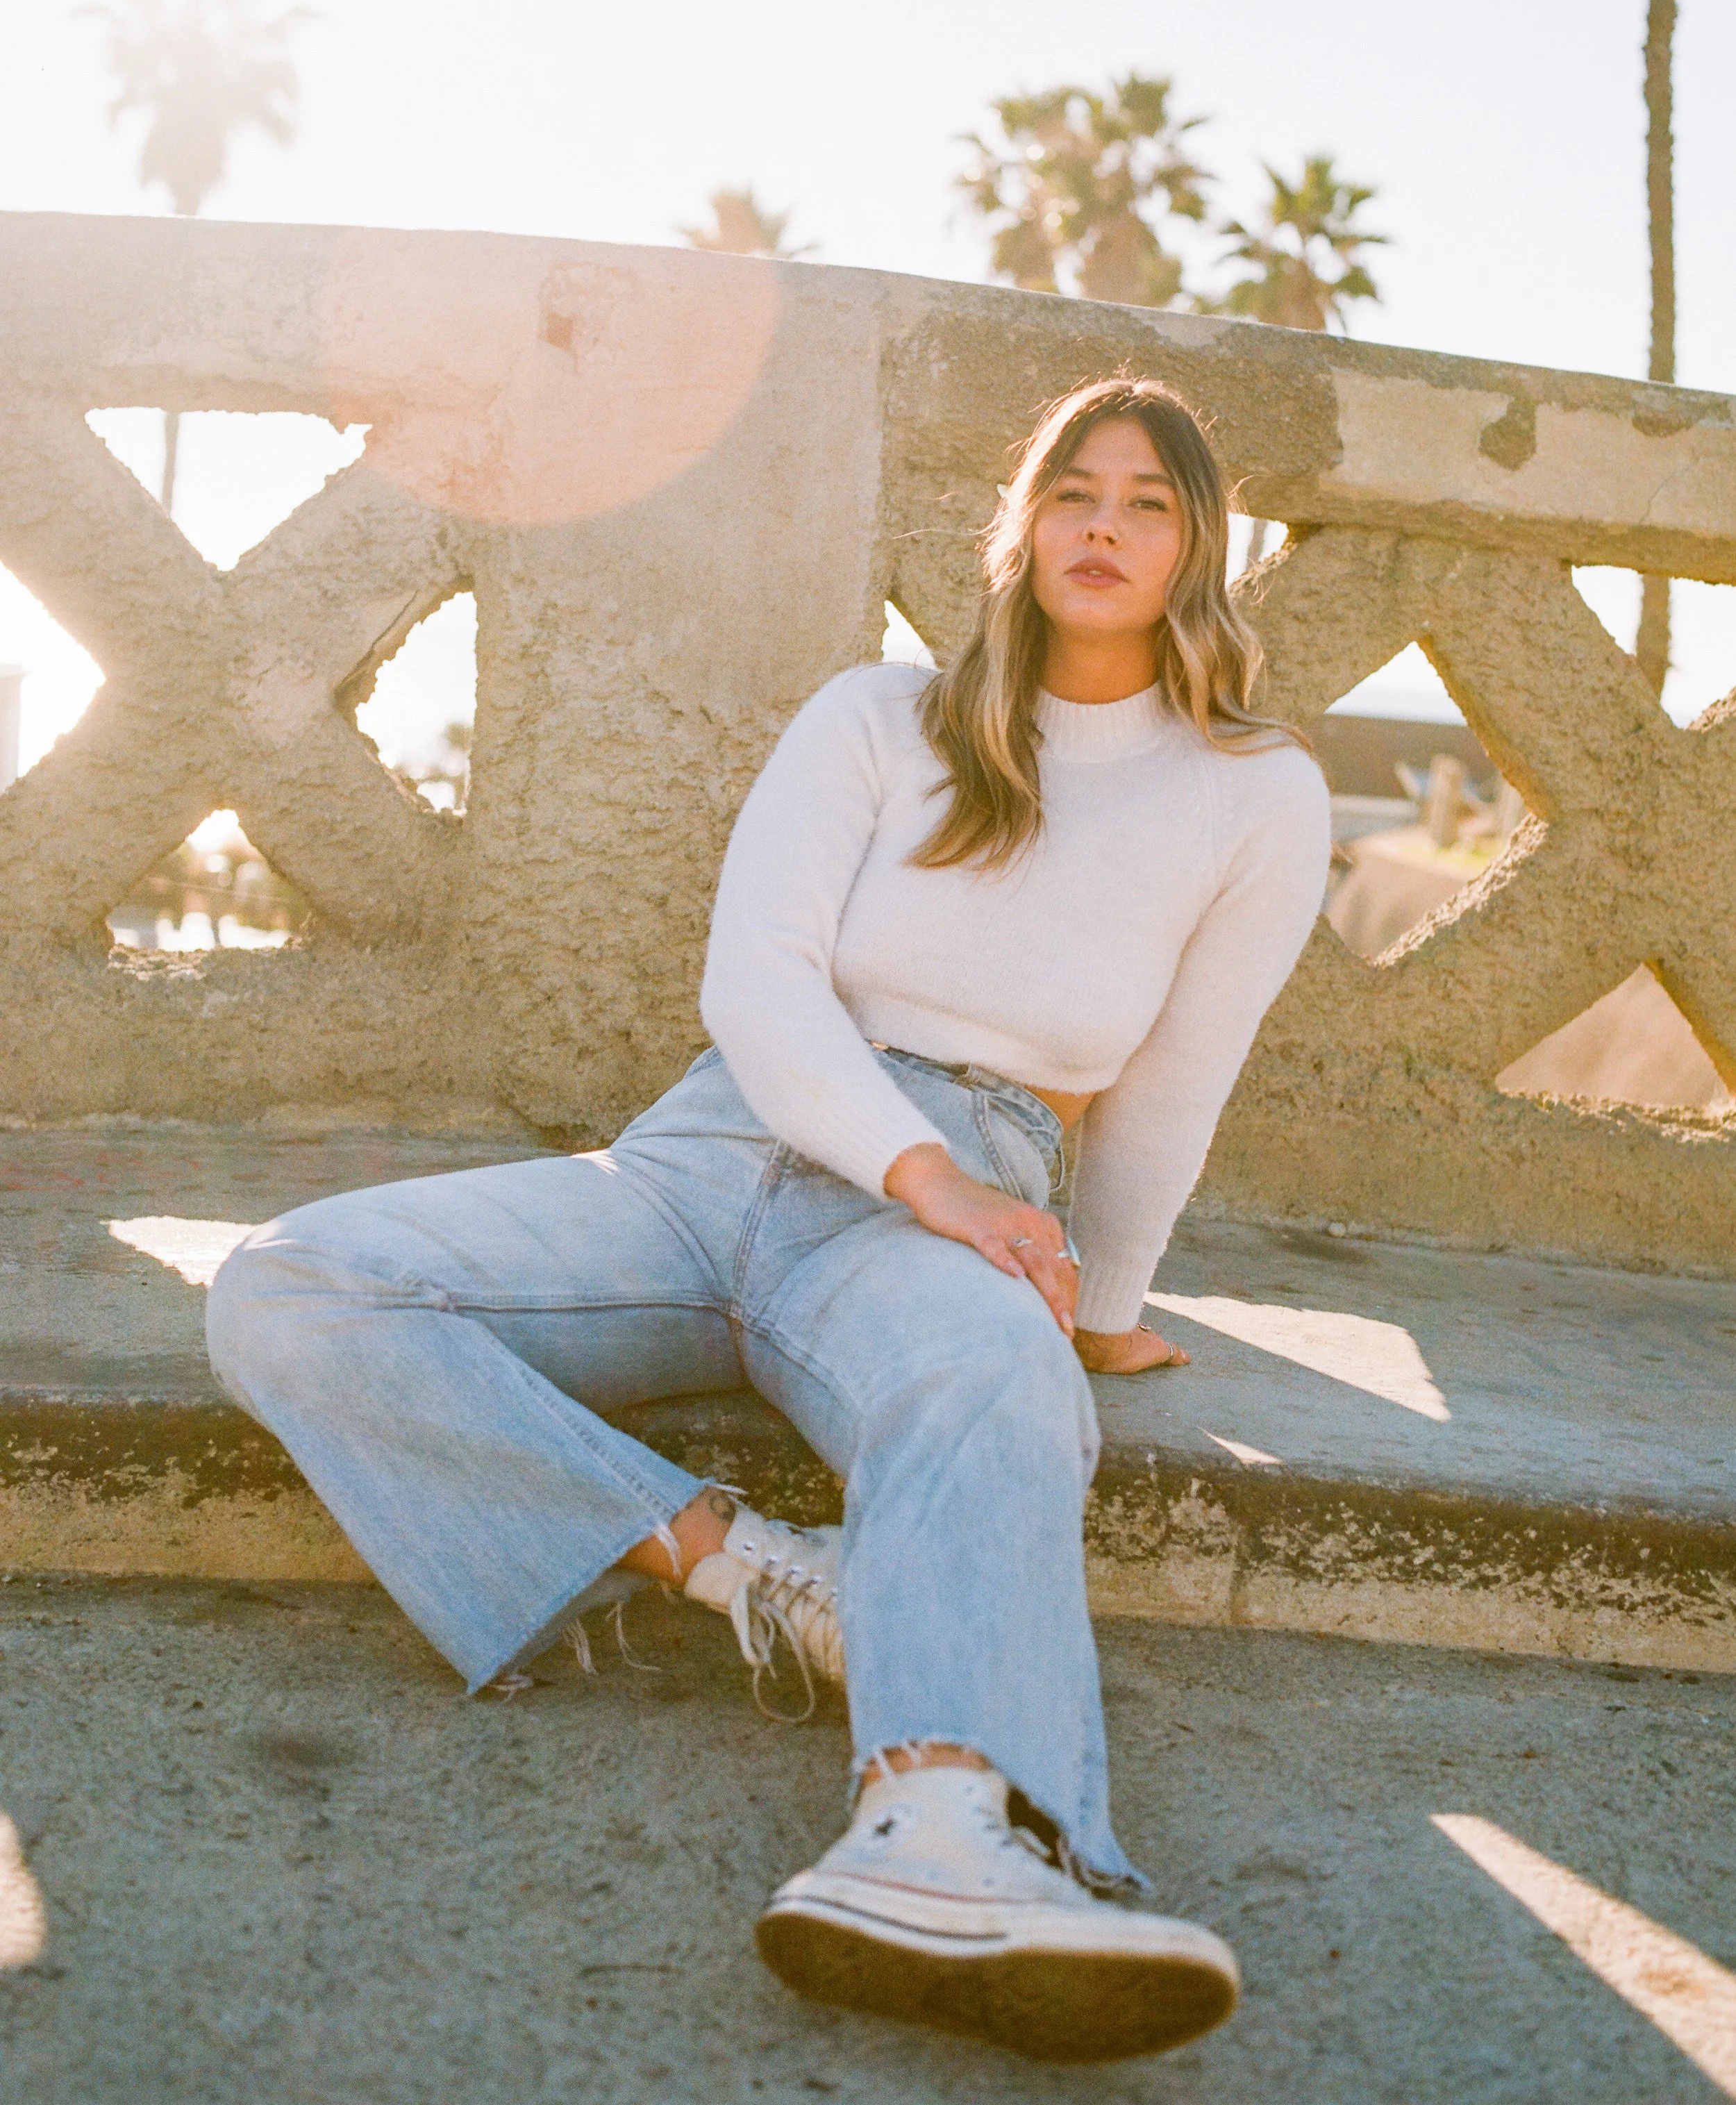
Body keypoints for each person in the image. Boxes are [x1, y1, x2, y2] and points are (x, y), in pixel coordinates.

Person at [206, 376, 1329, 2063]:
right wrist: (920, 1169)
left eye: (1148, 501)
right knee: (292, 1283)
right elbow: (759, 983)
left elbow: (1176, 1075)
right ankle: (743, 1570)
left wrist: (1098, 1302)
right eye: (1071, 492)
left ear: (1197, 547)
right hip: (705, 1160)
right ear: (1018, 531)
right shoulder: (883, 715)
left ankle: (944, 1830)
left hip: (942, 1215)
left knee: (1003, 1378)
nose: (1102, 525)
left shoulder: (1255, 791)